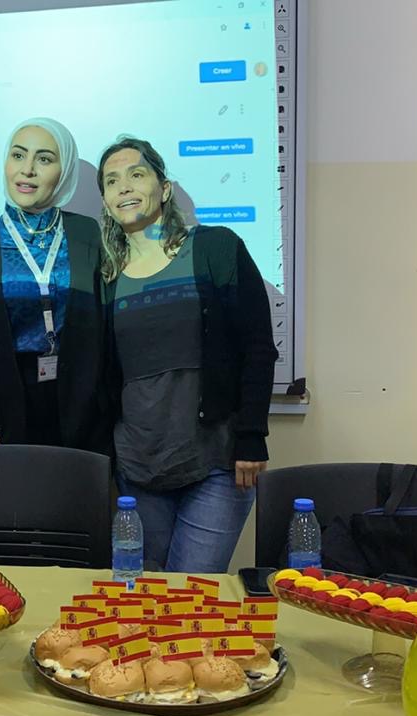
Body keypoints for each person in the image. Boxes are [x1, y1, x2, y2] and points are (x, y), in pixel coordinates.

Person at [97, 137, 277, 572]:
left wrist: (252, 434)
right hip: (137, 467)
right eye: (112, 181)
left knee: (191, 593)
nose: (124, 187)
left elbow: (257, 346)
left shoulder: (216, 248)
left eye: (136, 174)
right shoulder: (103, 276)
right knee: (148, 594)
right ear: (105, 201)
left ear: (164, 188)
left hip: (216, 462)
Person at [0, 118, 109, 451]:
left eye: (44, 159)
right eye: (18, 155)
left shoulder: (90, 236)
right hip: (2, 411)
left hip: (82, 412)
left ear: (64, 171)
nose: (28, 170)